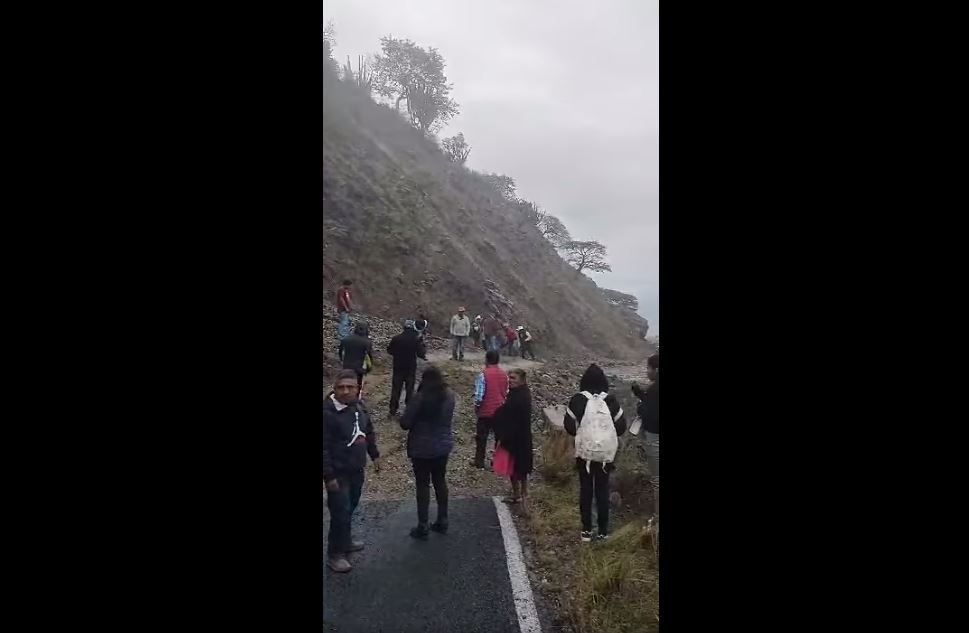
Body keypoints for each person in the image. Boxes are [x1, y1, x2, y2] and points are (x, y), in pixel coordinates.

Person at [323, 369, 381, 573]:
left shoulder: (358, 406)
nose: (346, 391)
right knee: (340, 512)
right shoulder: (327, 413)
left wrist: (374, 455)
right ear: (334, 389)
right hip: (338, 473)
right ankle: (335, 554)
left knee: (351, 507)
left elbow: (368, 430)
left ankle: (345, 542)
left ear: (357, 388)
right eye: (341, 387)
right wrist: (328, 476)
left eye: (350, 387)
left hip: (357, 469)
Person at [564, 363, 627, 542]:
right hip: (606, 455)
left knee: (585, 489)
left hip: (585, 454)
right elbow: (621, 427)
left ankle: (586, 531)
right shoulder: (611, 400)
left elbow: (569, 427)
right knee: (602, 489)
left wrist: (584, 434)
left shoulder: (578, 399)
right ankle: (603, 531)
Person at [399, 366, 455, 539]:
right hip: (442, 445)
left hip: (421, 448)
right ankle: (442, 520)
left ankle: (423, 525)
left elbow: (405, 423)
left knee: (422, 484)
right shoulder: (449, 396)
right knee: (440, 481)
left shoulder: (419, 398)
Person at [492, 368, 533, 512]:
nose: (510, 380)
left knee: (520, 470)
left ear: (522, 380)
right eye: (509, 377)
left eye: (513, 378)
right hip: (514, 436)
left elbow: (511, 414)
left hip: (519, 438)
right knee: (513, 468)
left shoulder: (521, 396)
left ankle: (524, 501)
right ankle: (517, 496)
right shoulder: (517, 393)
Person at [632, 354, 659, 521]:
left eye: (648, 368)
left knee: (657, 480)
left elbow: (651, 415)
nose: (647, 371)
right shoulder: (653, 389)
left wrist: (640, 408)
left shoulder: (655, 389)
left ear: (656, 370)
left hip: (655, 438)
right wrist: (641, 395)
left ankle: (657, 518)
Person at [473, 350, 509, 468]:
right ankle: (497, 463)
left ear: (487, 360)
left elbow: (479, 395)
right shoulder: (504, 374)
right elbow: (506, 392)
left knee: (481, 438)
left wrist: (477, 407)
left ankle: (479, 462)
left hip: (485, 411)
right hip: (500, 411)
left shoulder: (483, 374)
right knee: (498, 438)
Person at [386, 320, 427, 417]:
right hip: (410, 368)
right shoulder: (416, 339)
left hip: (398, 367)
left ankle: (392, 410)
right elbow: (421, 354)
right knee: (409, 390)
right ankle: (408, 410)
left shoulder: (396, 338)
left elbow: (389, 351)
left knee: (396, 389)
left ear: (403, 328)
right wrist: (422, 343)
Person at [339, 322, 373, 389]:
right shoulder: (367, 342)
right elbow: (369, 357)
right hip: (359, 368)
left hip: (346, 366)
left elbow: (340, 352)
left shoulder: (346, 339)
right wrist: (368, 369)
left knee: (346, 383)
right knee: (357, 385)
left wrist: (341, 360)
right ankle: (356, 397)